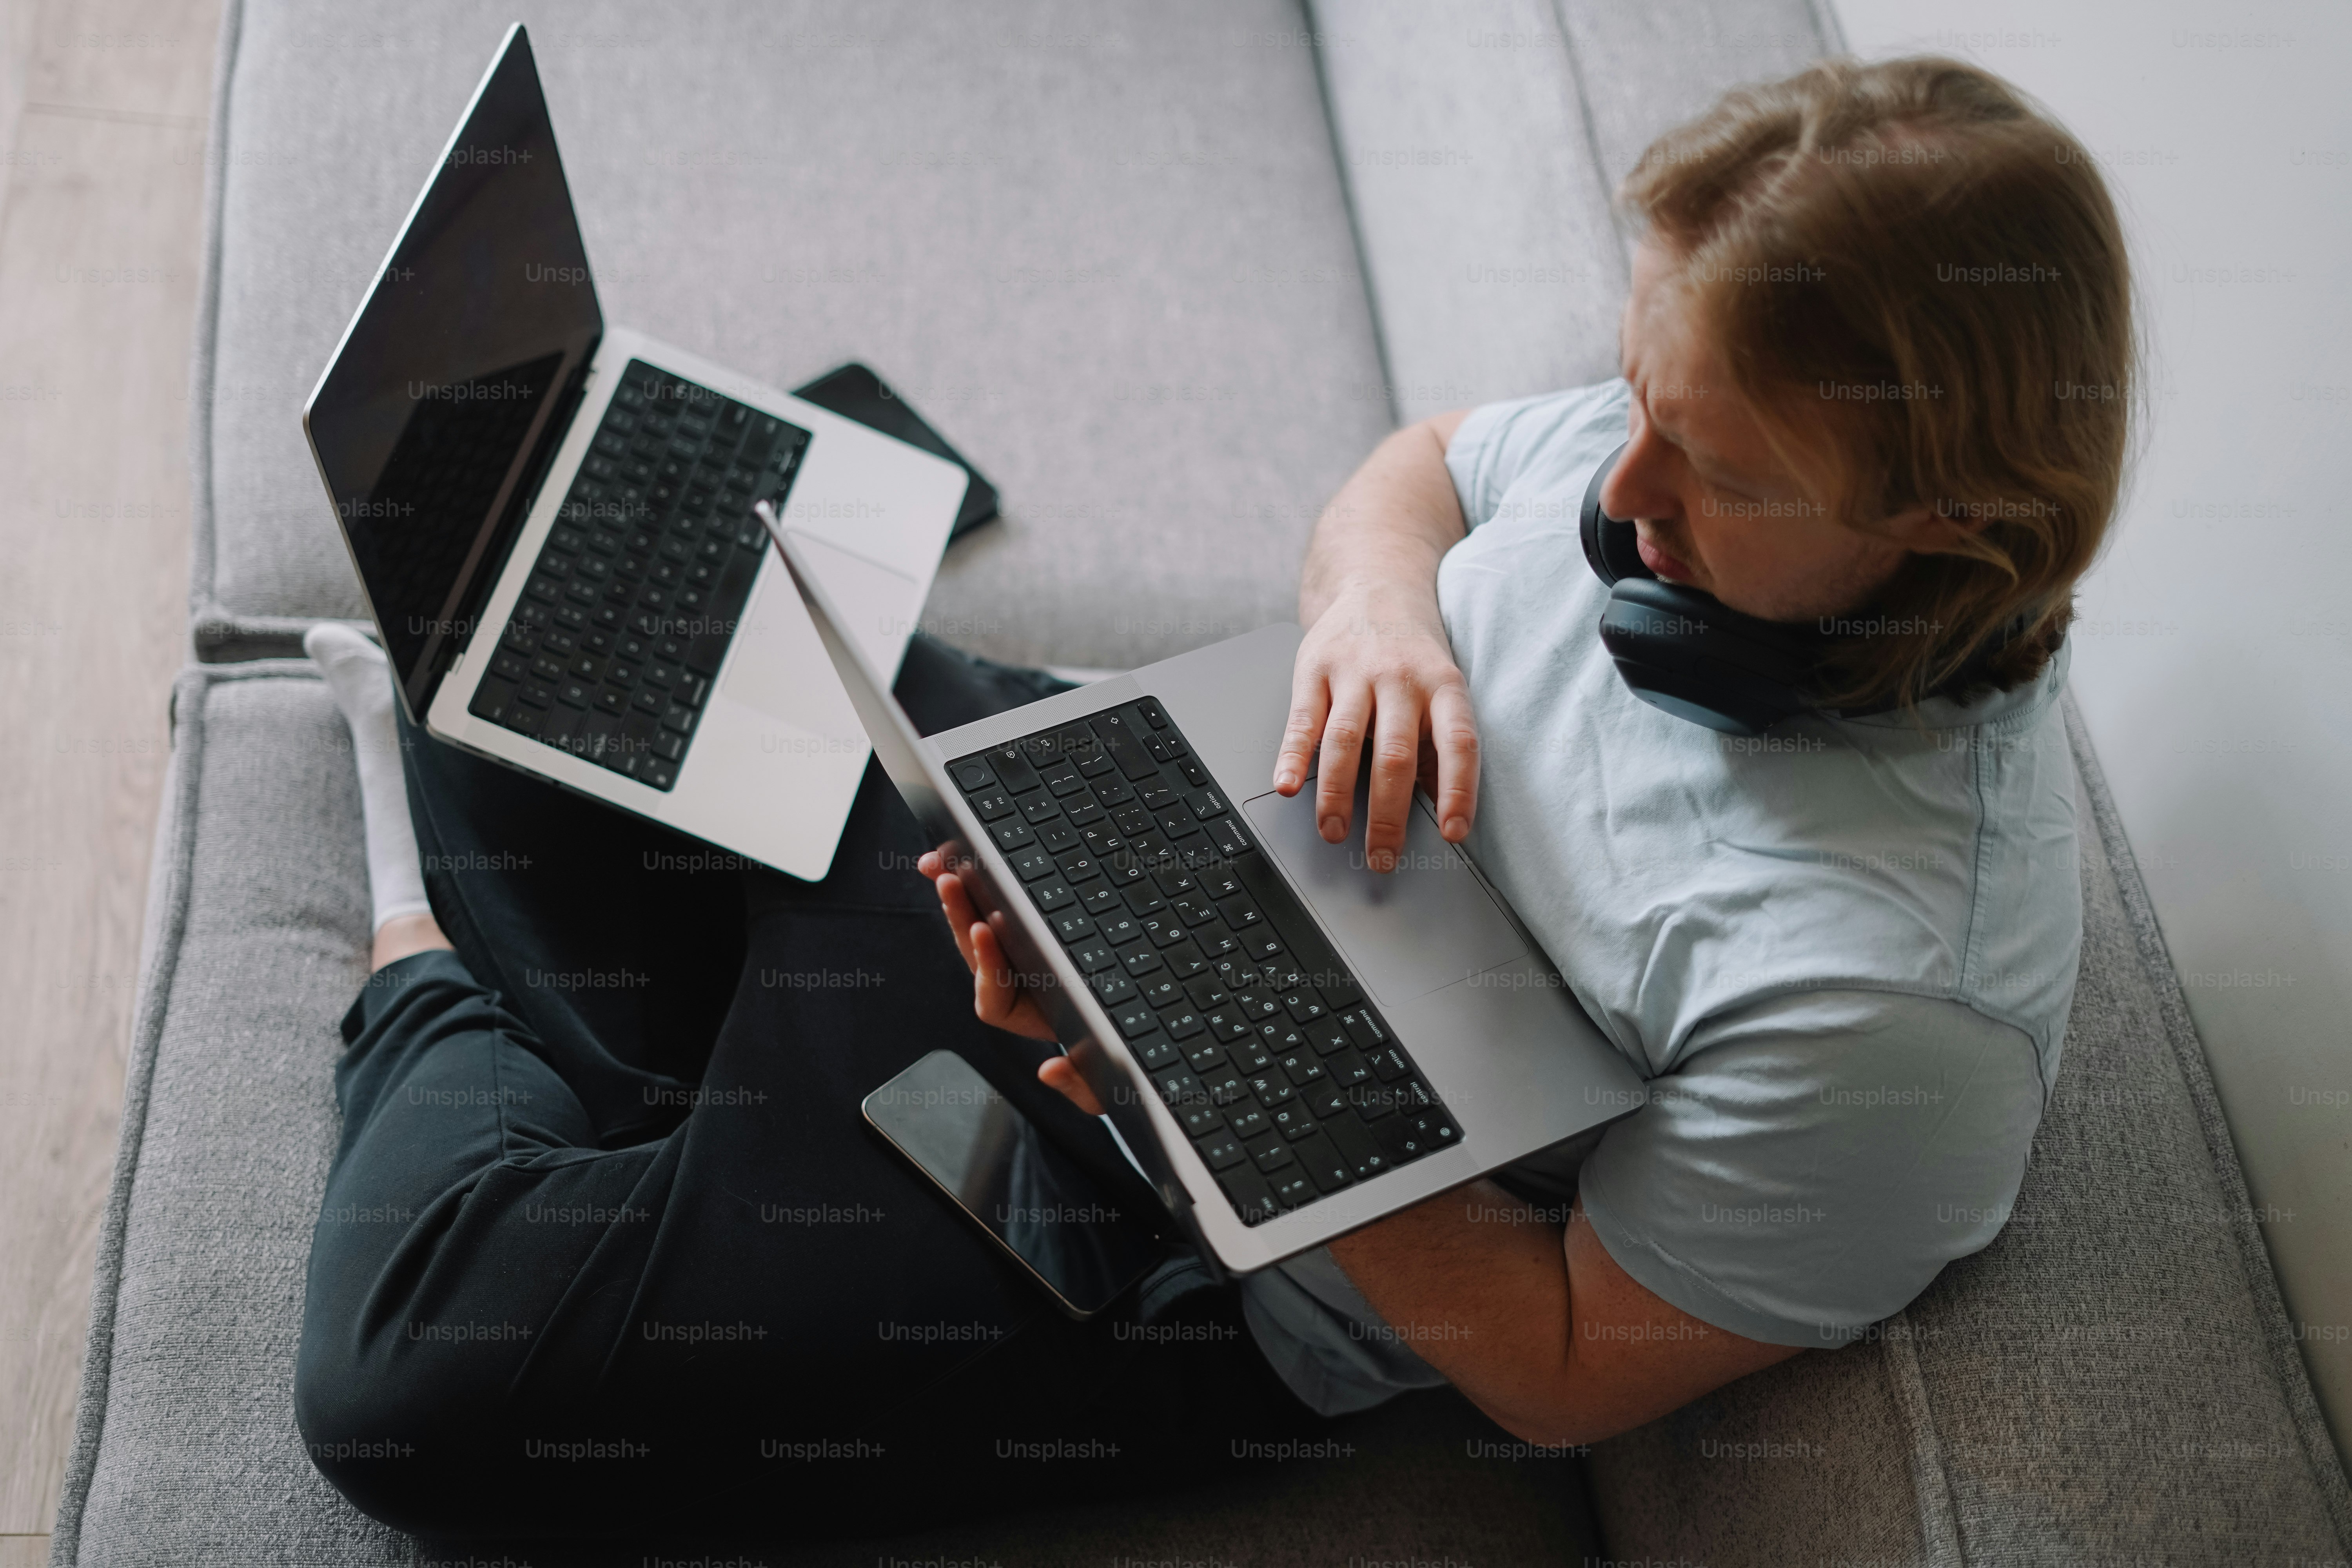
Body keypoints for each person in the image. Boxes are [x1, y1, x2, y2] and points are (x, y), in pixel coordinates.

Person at [295, 54, 2131, 1542]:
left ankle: (432, 960)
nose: (1619, 481)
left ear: (1954, 527)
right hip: (1113, 803)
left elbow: (1562, 1361)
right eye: (1635, 390)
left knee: (409, 1381)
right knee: (511, 618)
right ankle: (679, 1070)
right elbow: (1423, 470)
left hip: (1170, 1232)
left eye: (1710, 472)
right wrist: (1377, 601)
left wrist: (1195, 1073)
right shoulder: (1702, 413)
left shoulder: (1900, 1012)